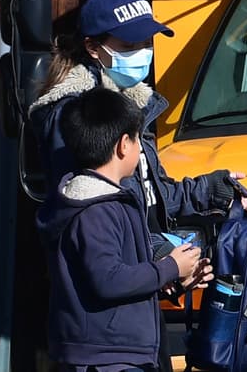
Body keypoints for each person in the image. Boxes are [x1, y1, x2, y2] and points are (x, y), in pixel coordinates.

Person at [30, 0, 247, 371]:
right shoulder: (78, 118)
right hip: (104, 333)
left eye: (147, 41)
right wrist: (164, 262)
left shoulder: (132, 101)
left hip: (138, 312)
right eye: (131, 43)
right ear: (93, 47)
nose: (144, 52)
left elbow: (152, 193)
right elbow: (95, 217)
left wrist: (211, 189)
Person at [37, 87, 214, 372]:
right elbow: (108, 279)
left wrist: (175, 280)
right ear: (123, 145)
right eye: (137, 140)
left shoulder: (107, 202)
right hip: (106, 357)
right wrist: (169, 267)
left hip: (116, 353)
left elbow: (120, 276)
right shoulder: (97, 209)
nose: (140, 148)